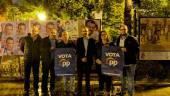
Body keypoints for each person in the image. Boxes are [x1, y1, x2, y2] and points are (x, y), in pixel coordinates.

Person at [116, 24, 139, 96]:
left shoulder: (132, 38)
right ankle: (123, 92)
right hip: (121, 62)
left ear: (127, 30)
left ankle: (130, 94)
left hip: (131, 62)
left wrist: (127, 49)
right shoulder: (118, 39)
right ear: (119, 30)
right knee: (122, 79)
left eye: (124, 29)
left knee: (130, 79)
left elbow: (137, 49)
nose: (123, 31)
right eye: (121, 29)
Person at [20, 22, 42, 96]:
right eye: (33, 30)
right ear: (31, 31)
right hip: (27, 59)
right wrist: (26, 54)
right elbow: (22, 47)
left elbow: (41, 49)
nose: (34, 32)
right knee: (27, 75)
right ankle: (26, 89)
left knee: (36, 75)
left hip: (36, 60)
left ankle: (36, 89)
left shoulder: (40, 39)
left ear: (38, 31)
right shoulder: (26, 38)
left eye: (35, 31)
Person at [76, 26, 96, 96]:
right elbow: (77, 51)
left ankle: (88, 90)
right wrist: (82, 58)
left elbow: (93, 51)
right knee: (80, 77)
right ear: (82, 32)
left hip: (88, 61)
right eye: (83, 31)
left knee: (88, 77)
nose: (85, 32)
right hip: (80, 61)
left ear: (88, 32)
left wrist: (87, 57)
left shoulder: (92, 41)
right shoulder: (78, 40)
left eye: (86, 31)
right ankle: (79, 91)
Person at [40, 22, 56, 96]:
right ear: (49, 32)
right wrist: (49, 49)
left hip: (54, 61)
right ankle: (44, 89)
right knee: (45, 75)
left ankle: (52, 89)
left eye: (54, 33)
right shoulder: (44, 40)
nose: (53, 34)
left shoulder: (57, 41)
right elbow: (41, 49)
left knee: (53, 75)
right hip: (46, 61)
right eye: (52, 32)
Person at [95, 31, 113, 96]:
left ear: (107, 35)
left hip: (109, 64)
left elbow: (115, 54)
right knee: (101, 78)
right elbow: (94, 53)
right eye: (102, 35)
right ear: (100, 36)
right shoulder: (97, 44)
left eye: (105, 34)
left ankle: (108, 91)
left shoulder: (111, 44)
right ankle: (101, 90)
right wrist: (96, 59)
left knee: (108, 78)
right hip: (99, 64)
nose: (103, 36)